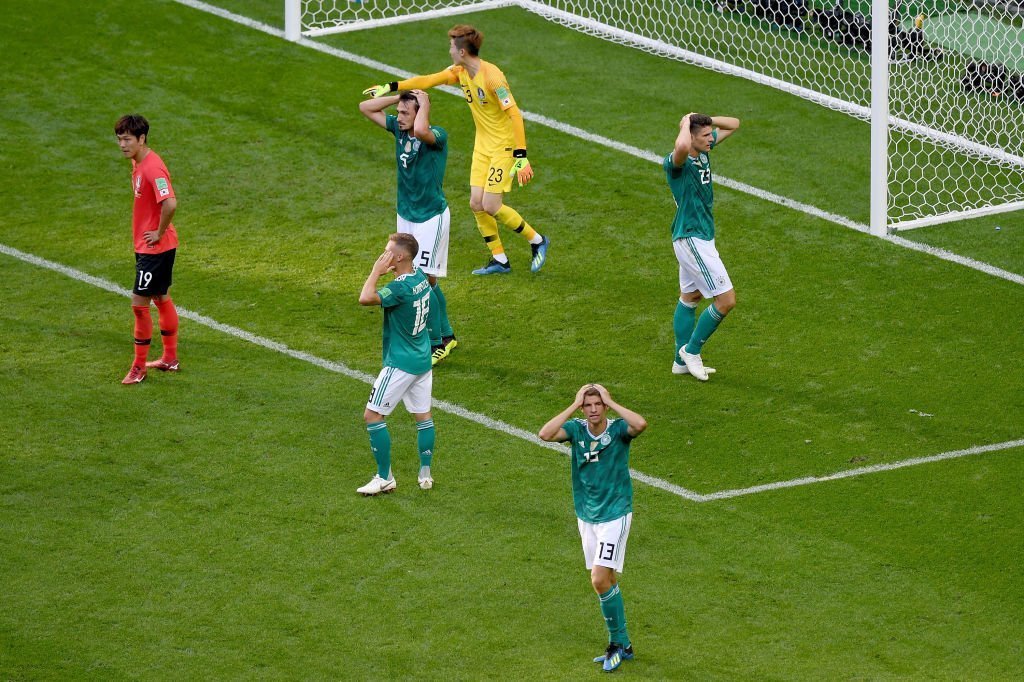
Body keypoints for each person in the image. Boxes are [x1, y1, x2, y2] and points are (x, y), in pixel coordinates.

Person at [362, 24, 550, 276]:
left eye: (451, 46)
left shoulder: (493, 77)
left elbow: (514, 114)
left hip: (503, 147)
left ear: (462, 51)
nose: (449, 50)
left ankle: (537, 240)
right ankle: (500, 260)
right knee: (476, 203)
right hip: (483, 145)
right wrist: (391, 87)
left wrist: (520, 155)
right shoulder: (460, 72)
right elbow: (427, 81)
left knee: (491, 205)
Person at [538, 383, 648, 672]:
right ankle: (622, 644)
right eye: (588, 405)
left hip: (615, 513)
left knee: (599, 579)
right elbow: (545, 434)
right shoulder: (575, 430)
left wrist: (613, 400)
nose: (593, 409)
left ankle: (617, 642)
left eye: (598, 404)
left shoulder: (618, 430)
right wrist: (573, 406)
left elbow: (641, 424)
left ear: (606, 405)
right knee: (607, 579)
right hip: (586, 515)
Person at [359, 90, 458, 365]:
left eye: (405, 113)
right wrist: (396, 100)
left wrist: (423, 102)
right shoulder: (400, 131)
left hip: (431, 217)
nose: (399, 118)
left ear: (420, 112)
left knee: (425, 279)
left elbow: (423, 129)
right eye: (399, 113)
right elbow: (366, 107)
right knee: (419, 276)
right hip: (407, 215)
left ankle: (440, 341)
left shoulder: (437, 136)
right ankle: (447, 334)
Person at [357, 233, 437, 494]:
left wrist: (375, 272)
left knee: (372, 415)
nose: (383, 255)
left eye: (387, 252)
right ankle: (425, 473)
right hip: (423, 359)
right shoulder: (419, 274)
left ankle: (384, 478)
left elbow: (366, 298)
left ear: (400, 257)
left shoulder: (400, 287)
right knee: (423, 417)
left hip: (401, 362)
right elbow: (432, 281)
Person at [666, 112, 740, 381]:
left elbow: (734, 124)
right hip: (692, 238)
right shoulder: (677, 163)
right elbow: (682, 146)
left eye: (711, 135)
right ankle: (692, 351)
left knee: (690, 298)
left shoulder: (704, 149)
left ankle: (679, 361)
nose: (712, 139)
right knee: (726, 300)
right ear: (691, 136)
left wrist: (702, 119)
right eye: (706, 135)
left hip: (700, 236)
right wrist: (685, 123)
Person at [114, 114, 181, 385]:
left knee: (138, 304)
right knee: (161, 298)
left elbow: (171, 203)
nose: (122, 144)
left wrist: (159, 232)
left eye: (127, 139)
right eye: (119, 139)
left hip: (154, 249)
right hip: (153, 247)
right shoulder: (138, 161)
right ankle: (169, 359)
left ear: (142, 139)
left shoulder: (153, 169)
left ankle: (139, 367)